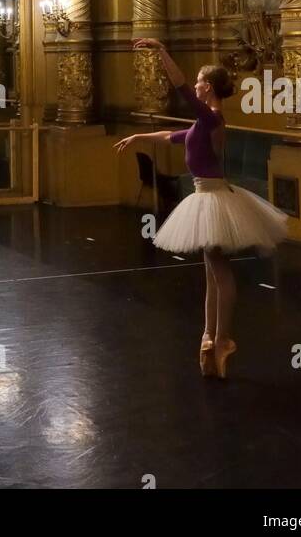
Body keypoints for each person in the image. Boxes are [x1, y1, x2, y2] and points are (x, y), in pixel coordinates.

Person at [114, 39, 287, 378]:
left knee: (219, 270)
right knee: (211, 271)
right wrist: (138, 138)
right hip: (206, 194)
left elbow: (181, 88)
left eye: (198, 81)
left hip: (213, 197)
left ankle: (222, 338)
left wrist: (162, 50)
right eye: (195, 80)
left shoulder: (211, 117)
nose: (194, 84)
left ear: (207, 87)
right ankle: (210, 335)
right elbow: (172, 136)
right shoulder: (202, 123)